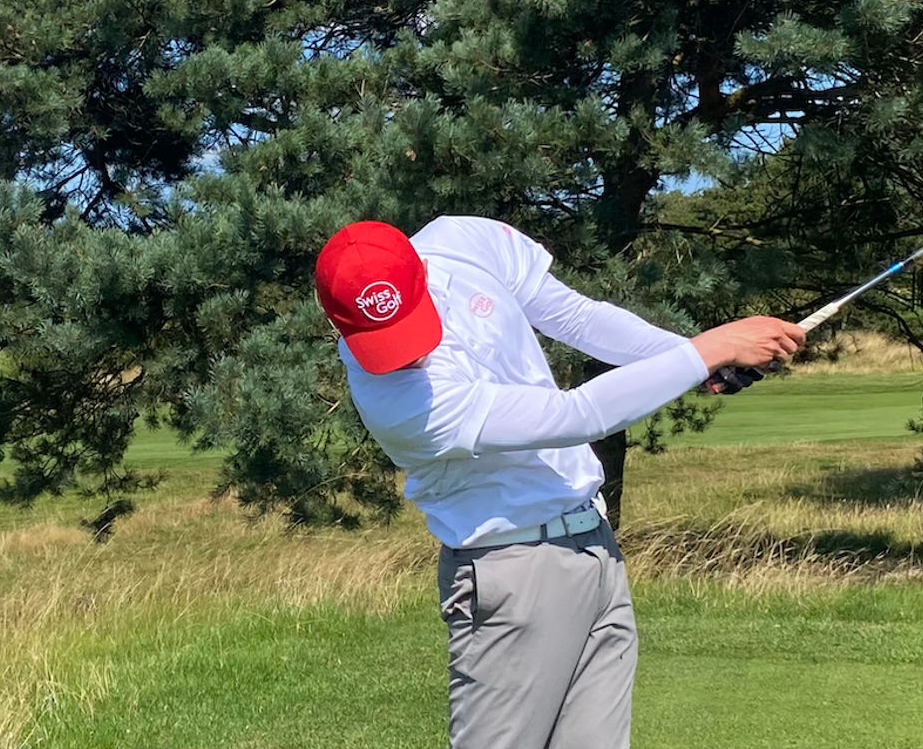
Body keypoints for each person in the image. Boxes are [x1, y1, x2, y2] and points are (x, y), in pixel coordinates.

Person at [314, 215, 805, 749]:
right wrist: (709, 350)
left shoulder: (463, 240)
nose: (407, 352)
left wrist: (688, 357)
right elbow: (577, 415)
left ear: (422, 272)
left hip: (595, 547)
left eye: (408, 323)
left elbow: (577, 317)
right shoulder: (397, 402)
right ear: (335, 320)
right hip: (509, 573)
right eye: (382, 340)